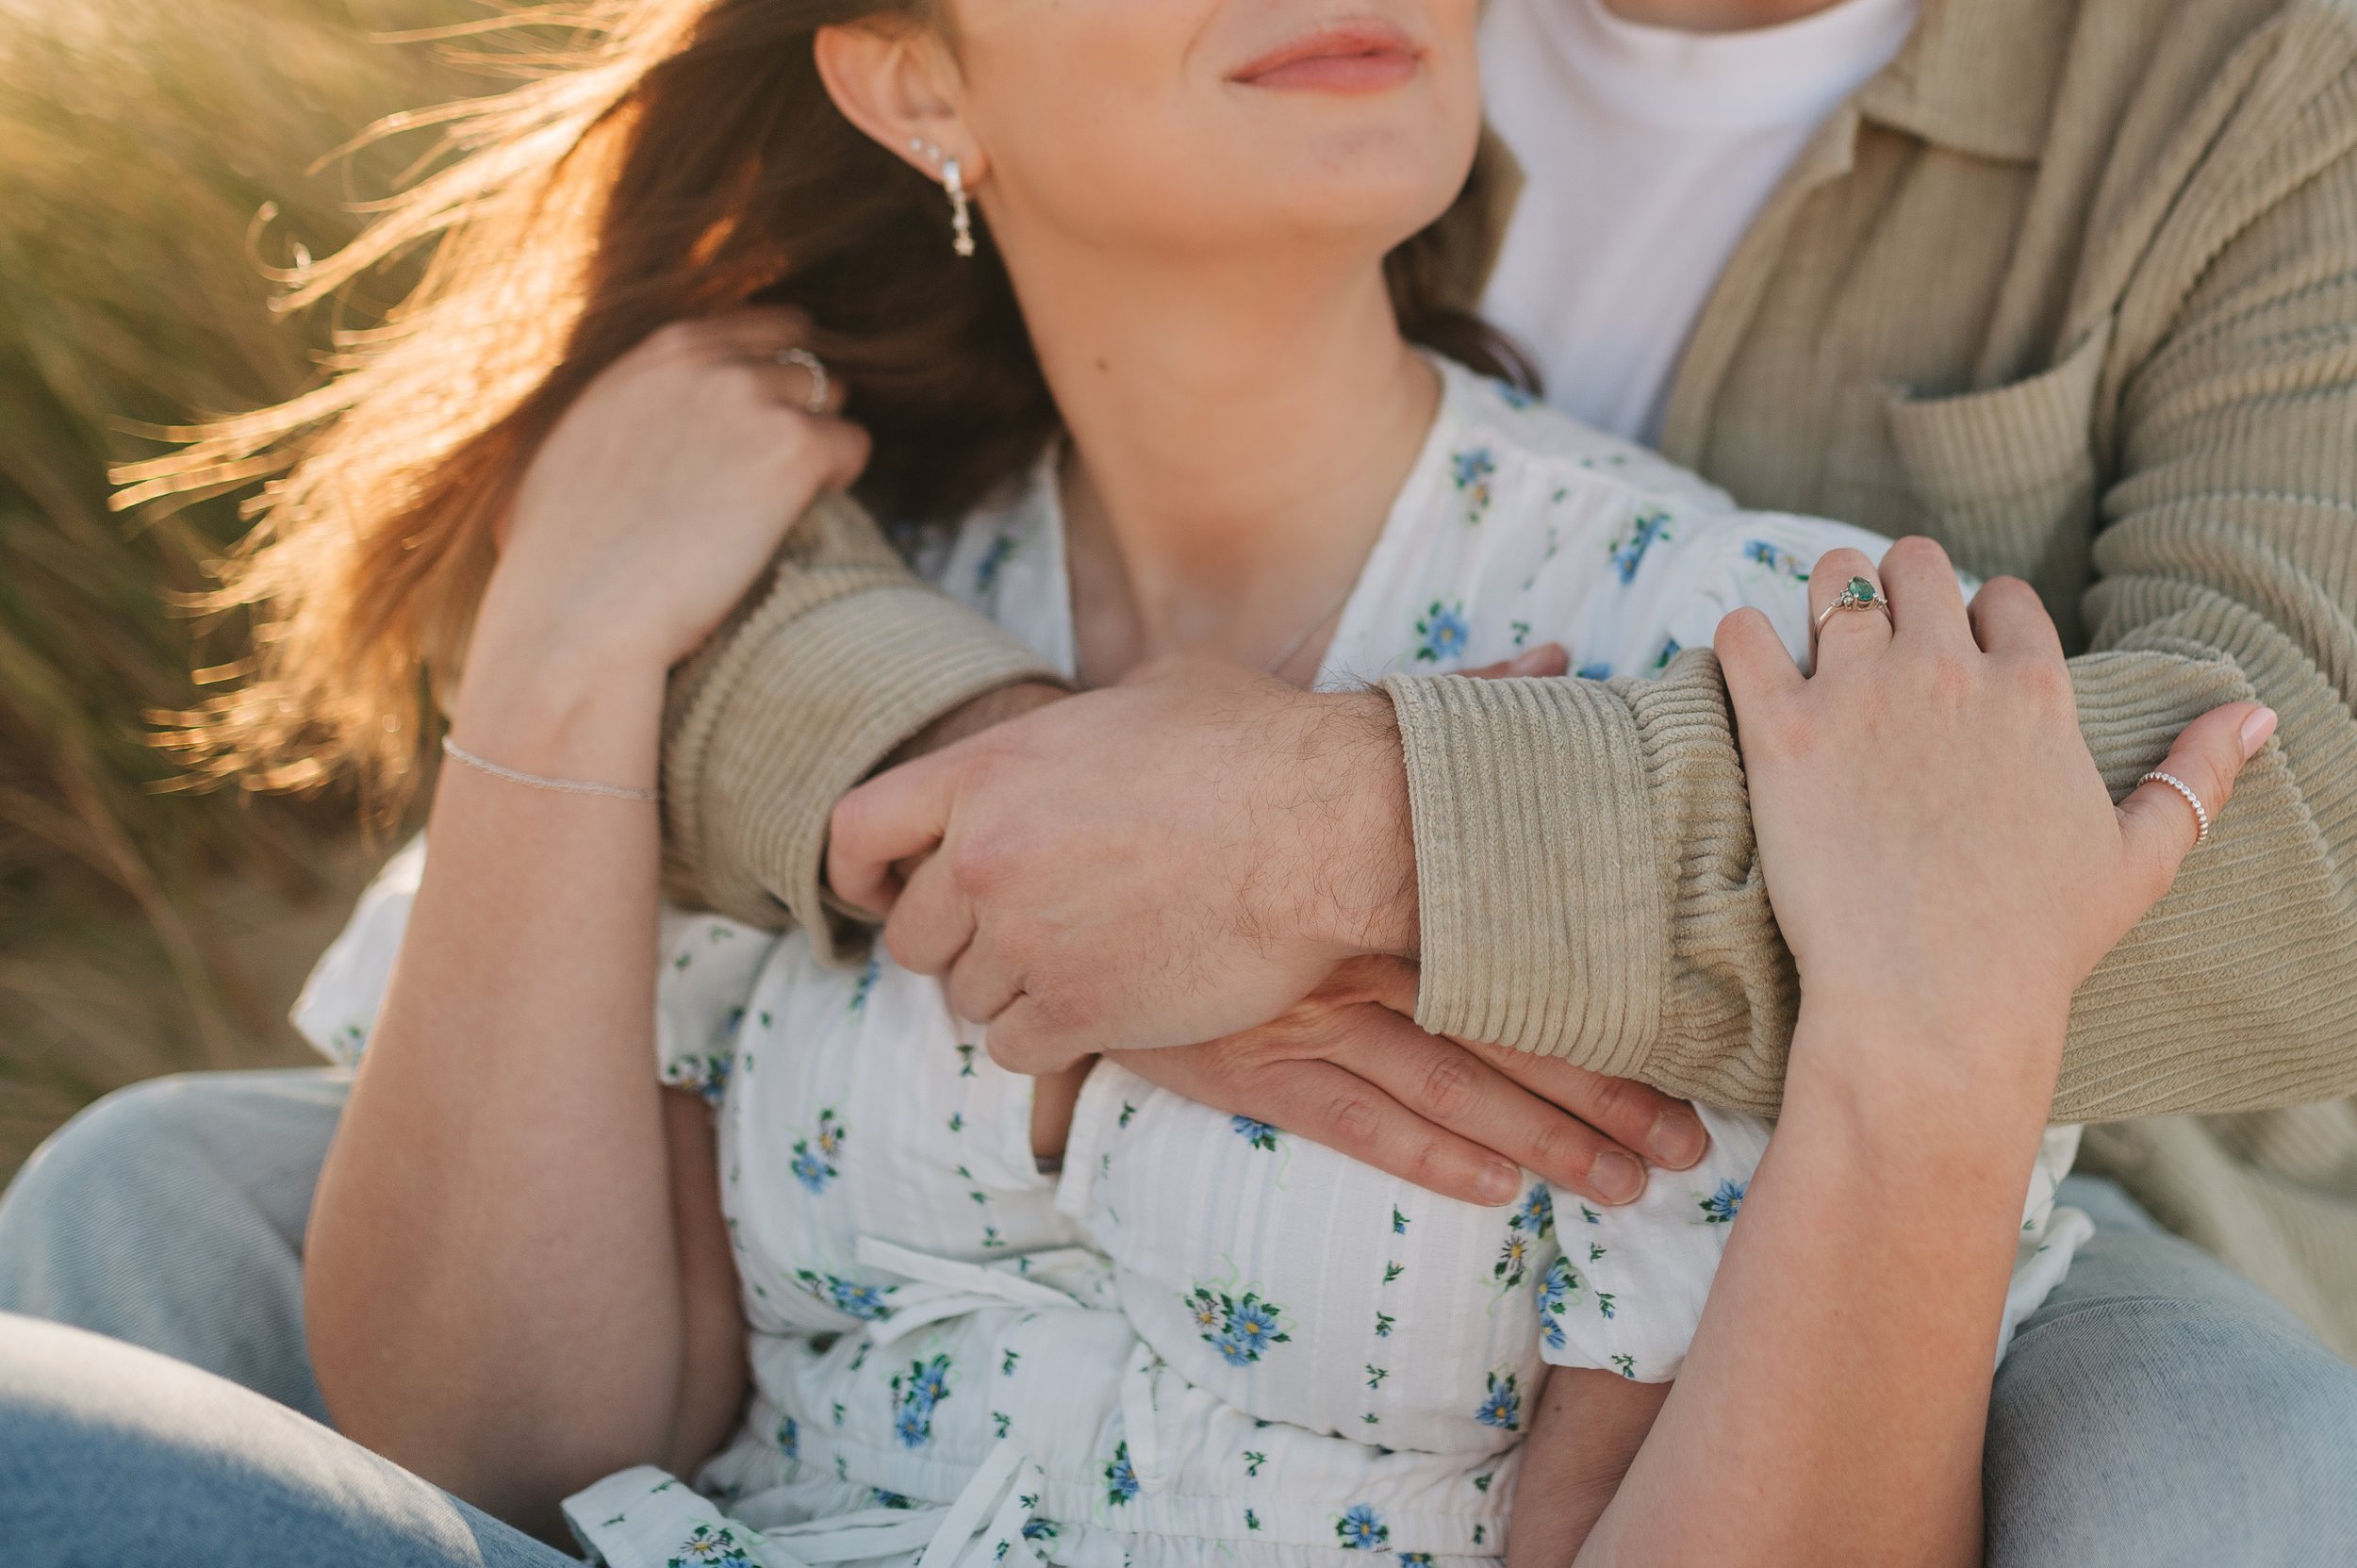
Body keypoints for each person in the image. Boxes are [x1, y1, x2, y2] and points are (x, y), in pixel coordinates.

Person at [5, 0, 2357, 1558]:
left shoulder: (1755, 663)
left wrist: (1365, 846)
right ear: (914, 88)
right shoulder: (819, 584)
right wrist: (563, 637)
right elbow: (491, 1446)